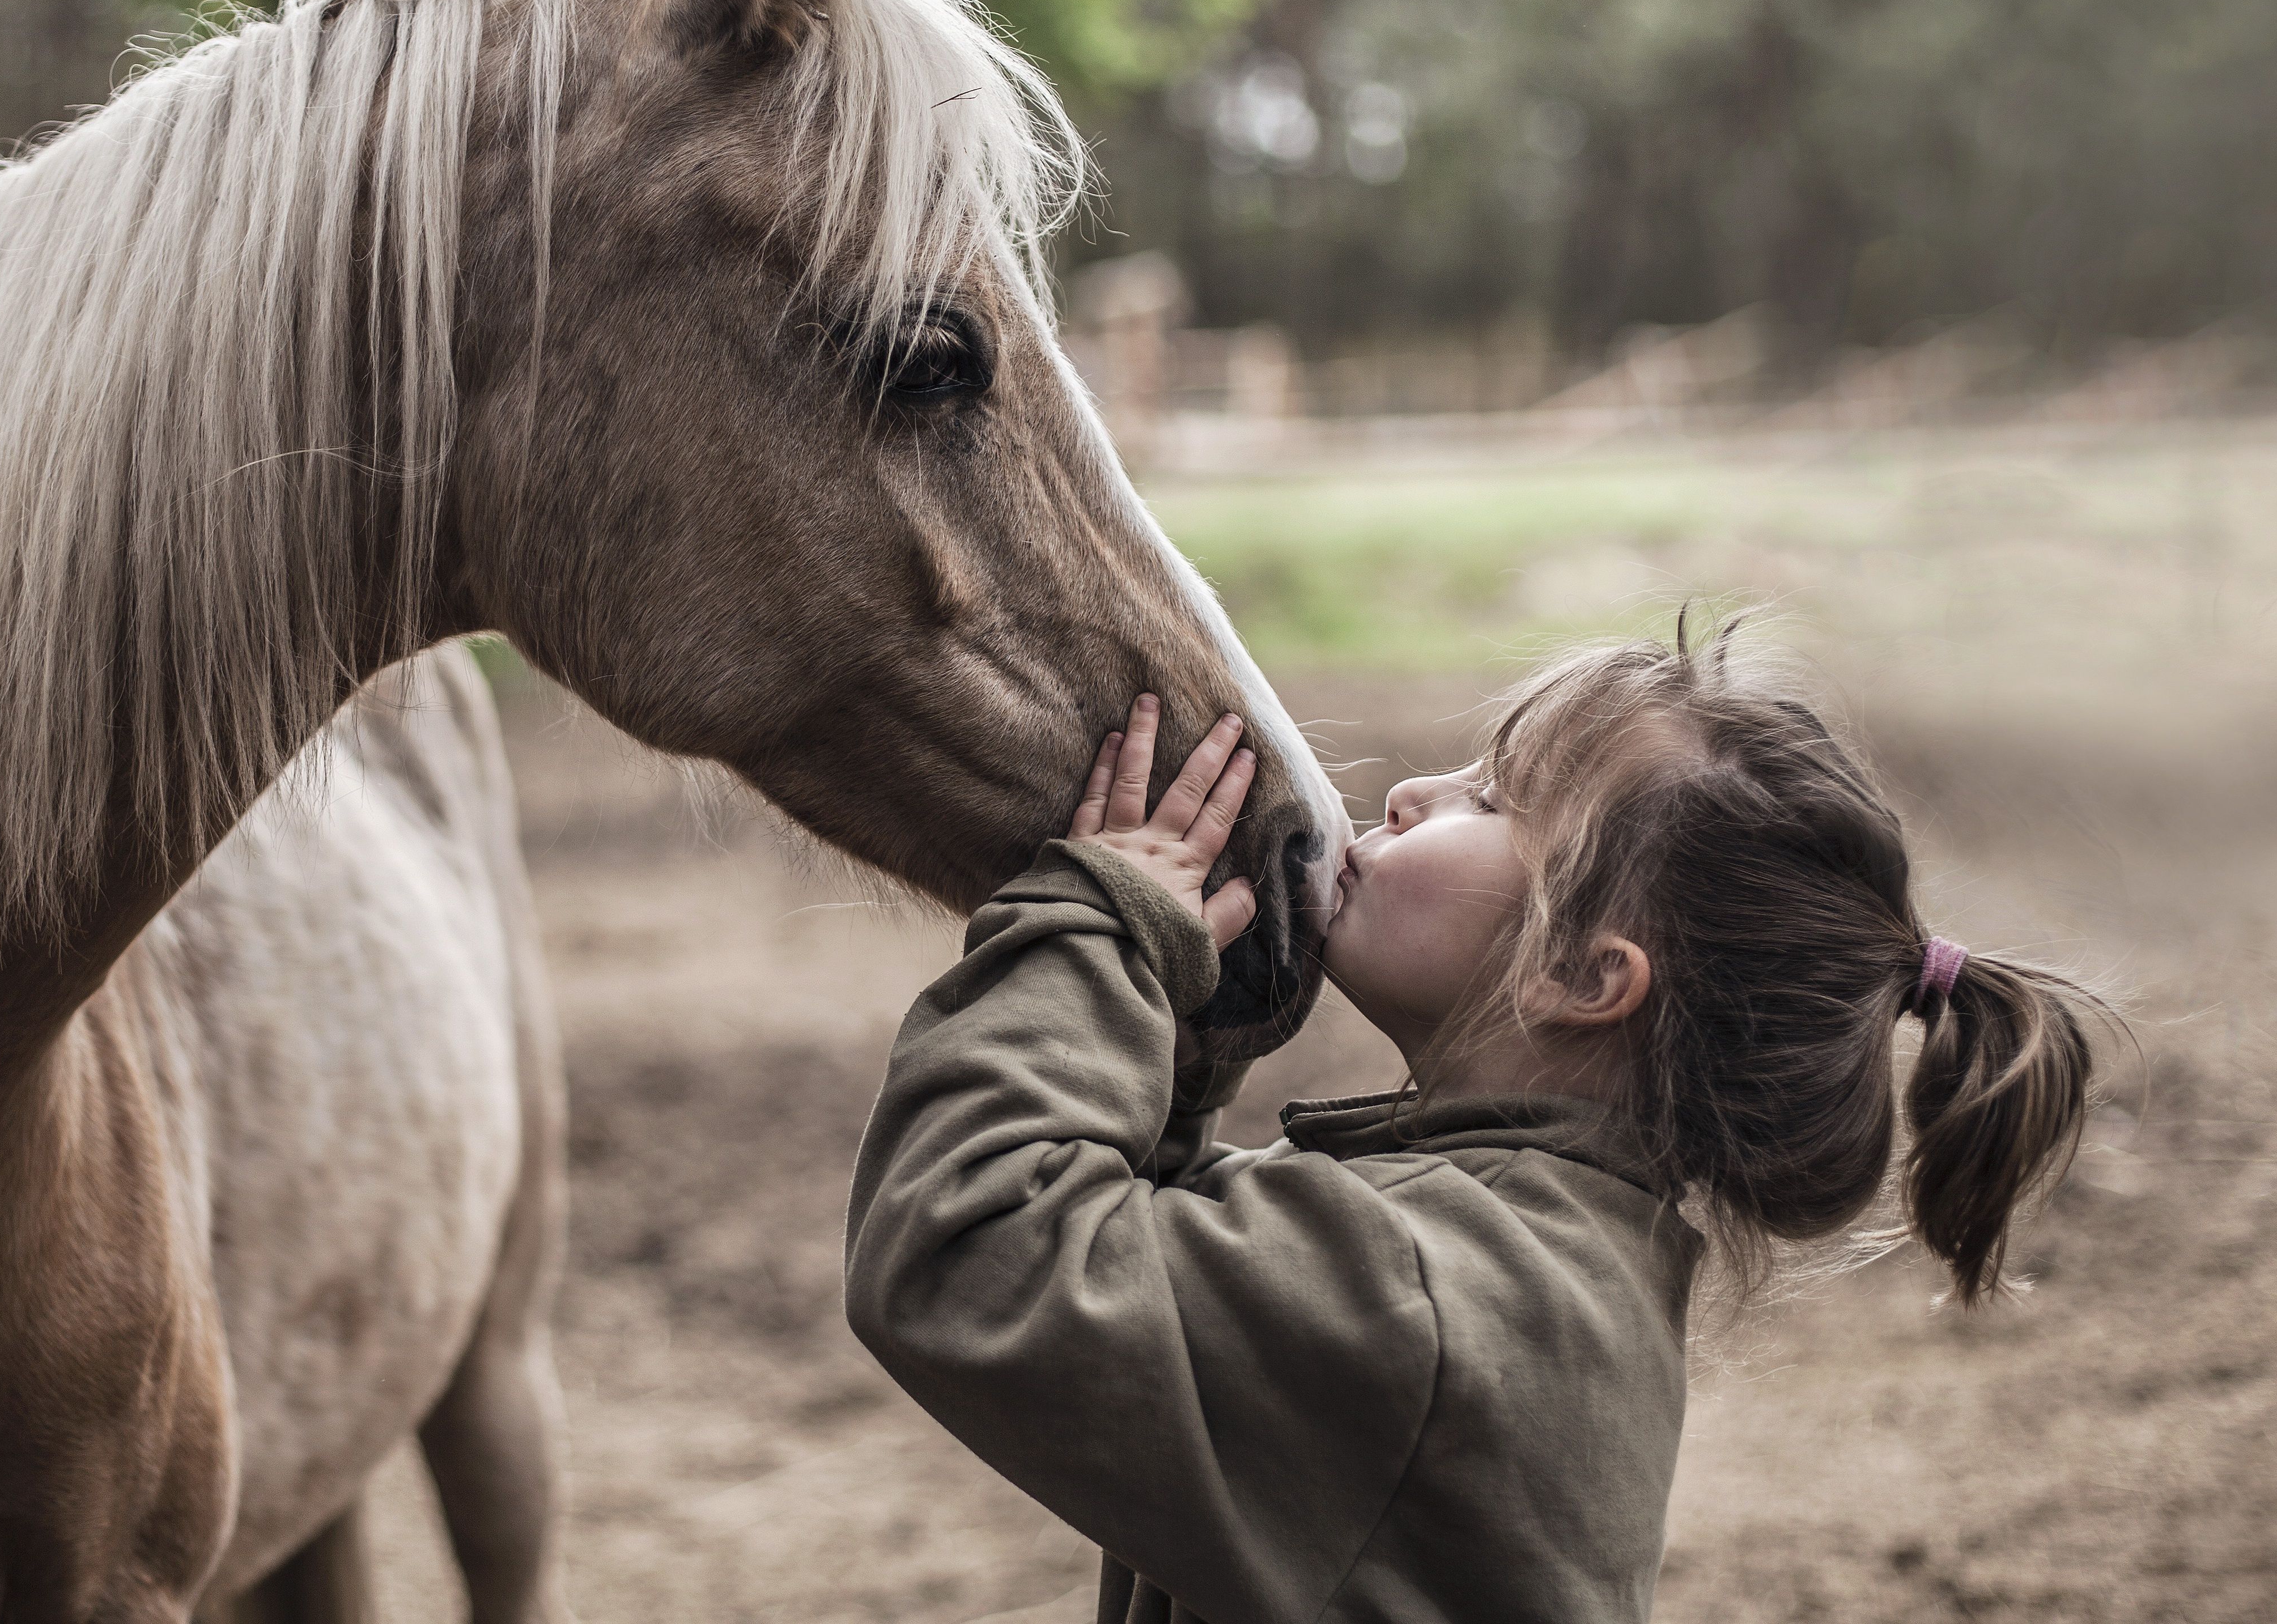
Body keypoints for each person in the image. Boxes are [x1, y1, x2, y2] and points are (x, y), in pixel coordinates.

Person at [844, 627, 2103, 1624]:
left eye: (1493, 799)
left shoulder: (1429, 1301)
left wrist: (1096, 933)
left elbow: (971, 1246)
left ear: (1582, 976)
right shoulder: (1526, 1258)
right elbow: (1166, 1267)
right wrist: (1178, 1033)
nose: (1407, 790)